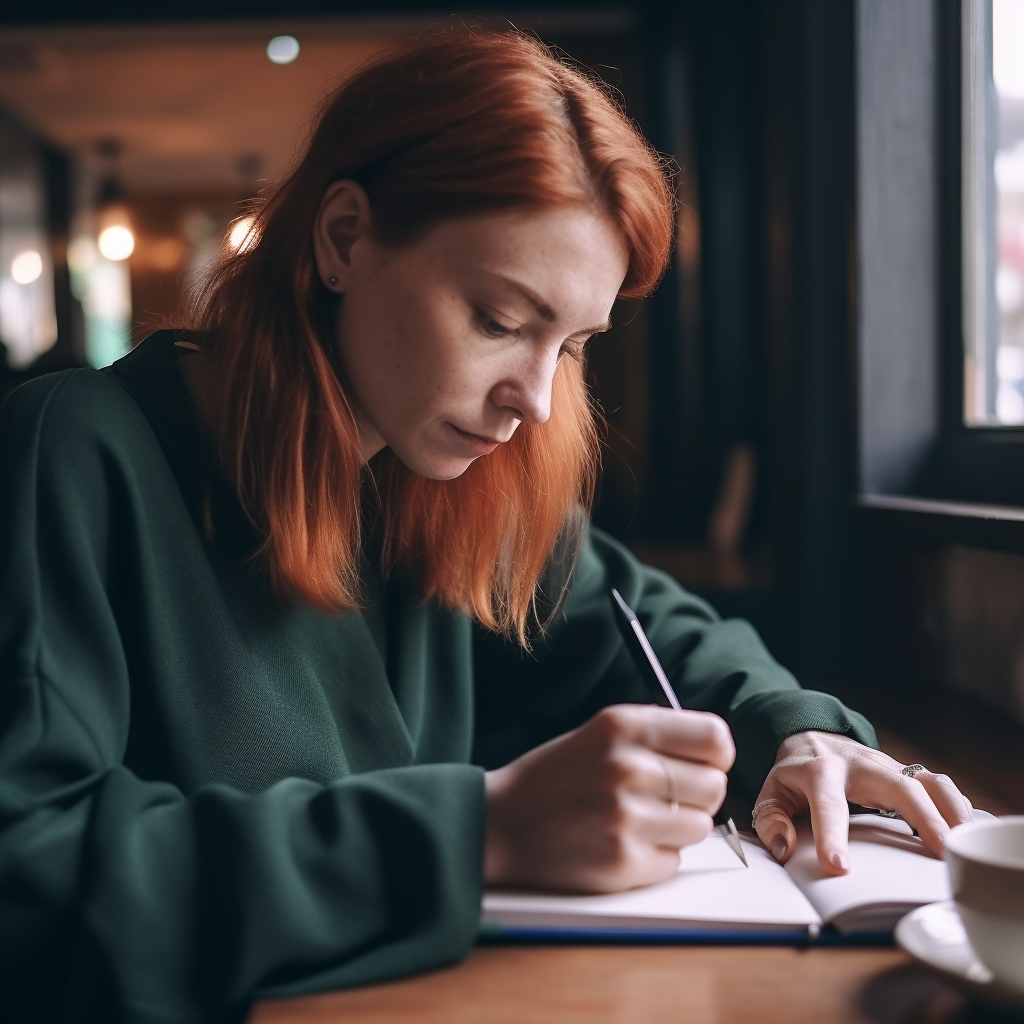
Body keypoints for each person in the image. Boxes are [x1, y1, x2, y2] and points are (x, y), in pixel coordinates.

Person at [0, 25, 972, 1024]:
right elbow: (28, 881)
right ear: (343, 239)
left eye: (573, 344)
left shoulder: (448, 472)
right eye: (499, 320)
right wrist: (478, 833)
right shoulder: (74, 454)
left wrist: (795, 733)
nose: (535, 402)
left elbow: (657, 632)